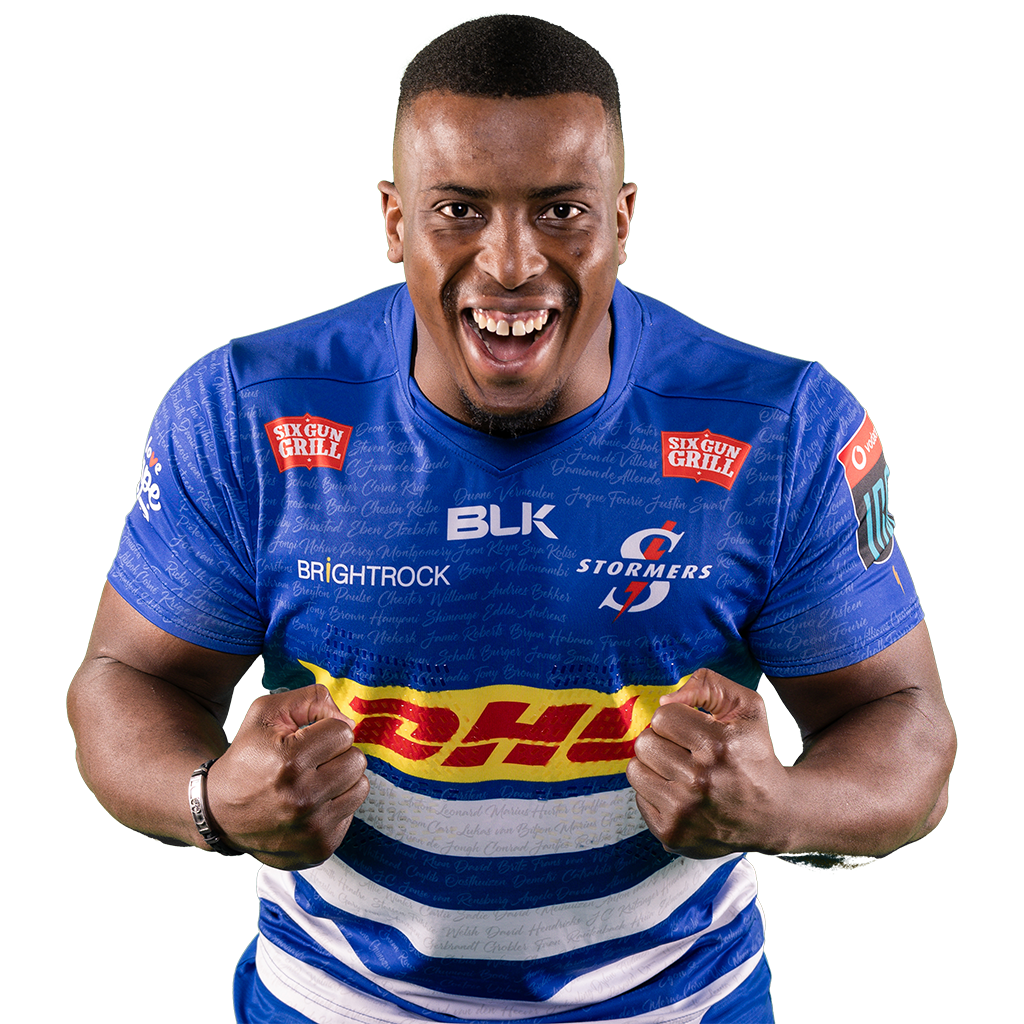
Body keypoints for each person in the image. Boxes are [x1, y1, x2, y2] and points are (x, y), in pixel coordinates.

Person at [67, 13, 956, 1024]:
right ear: (394, 222)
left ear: (622, 220)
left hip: (679, 1004)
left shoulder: (781, 429)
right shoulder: (246, 413)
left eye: (560, 211)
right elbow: (125, 677)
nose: (509, 263)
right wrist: (213, 802)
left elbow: (907, 735)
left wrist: (779, 807)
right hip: (330, 1002)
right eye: (457, 211)